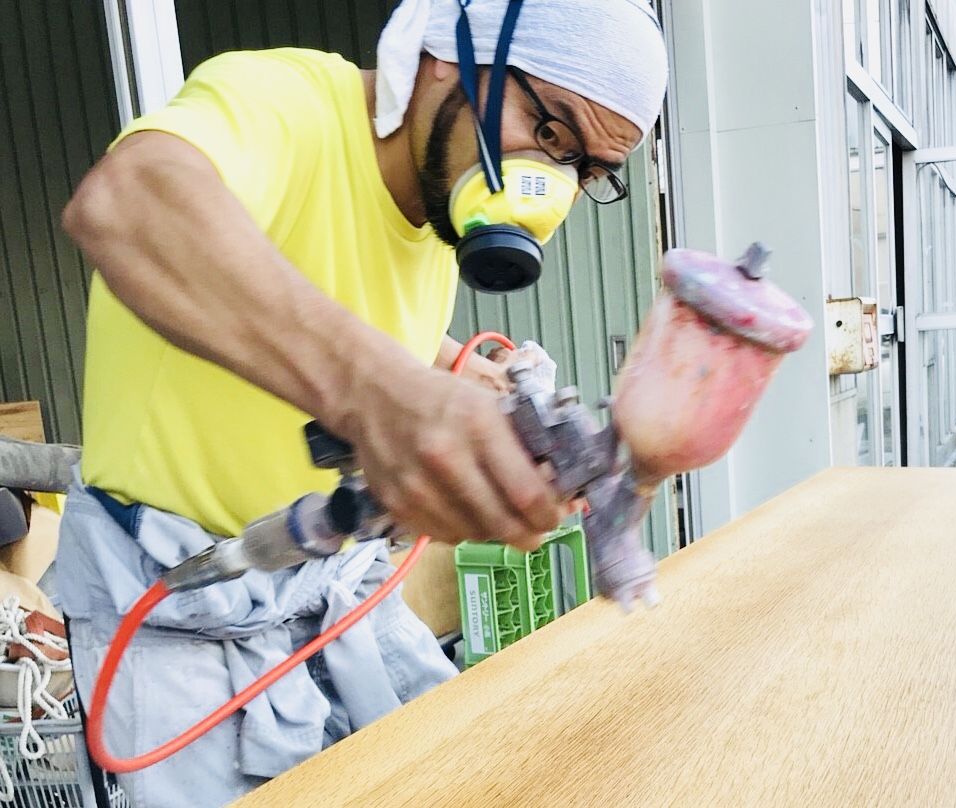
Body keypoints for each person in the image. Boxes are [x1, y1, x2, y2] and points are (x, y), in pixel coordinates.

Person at [57, 0, 668, 804]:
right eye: (549, 132)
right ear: (451, 55)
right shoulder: (284, 101)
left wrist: (450, 367)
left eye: (585, 172)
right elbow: (131, 205)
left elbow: (335, 286)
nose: (548, 185)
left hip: (329, 581)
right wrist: (381, 392)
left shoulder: (440, 197)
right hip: (177, 604)